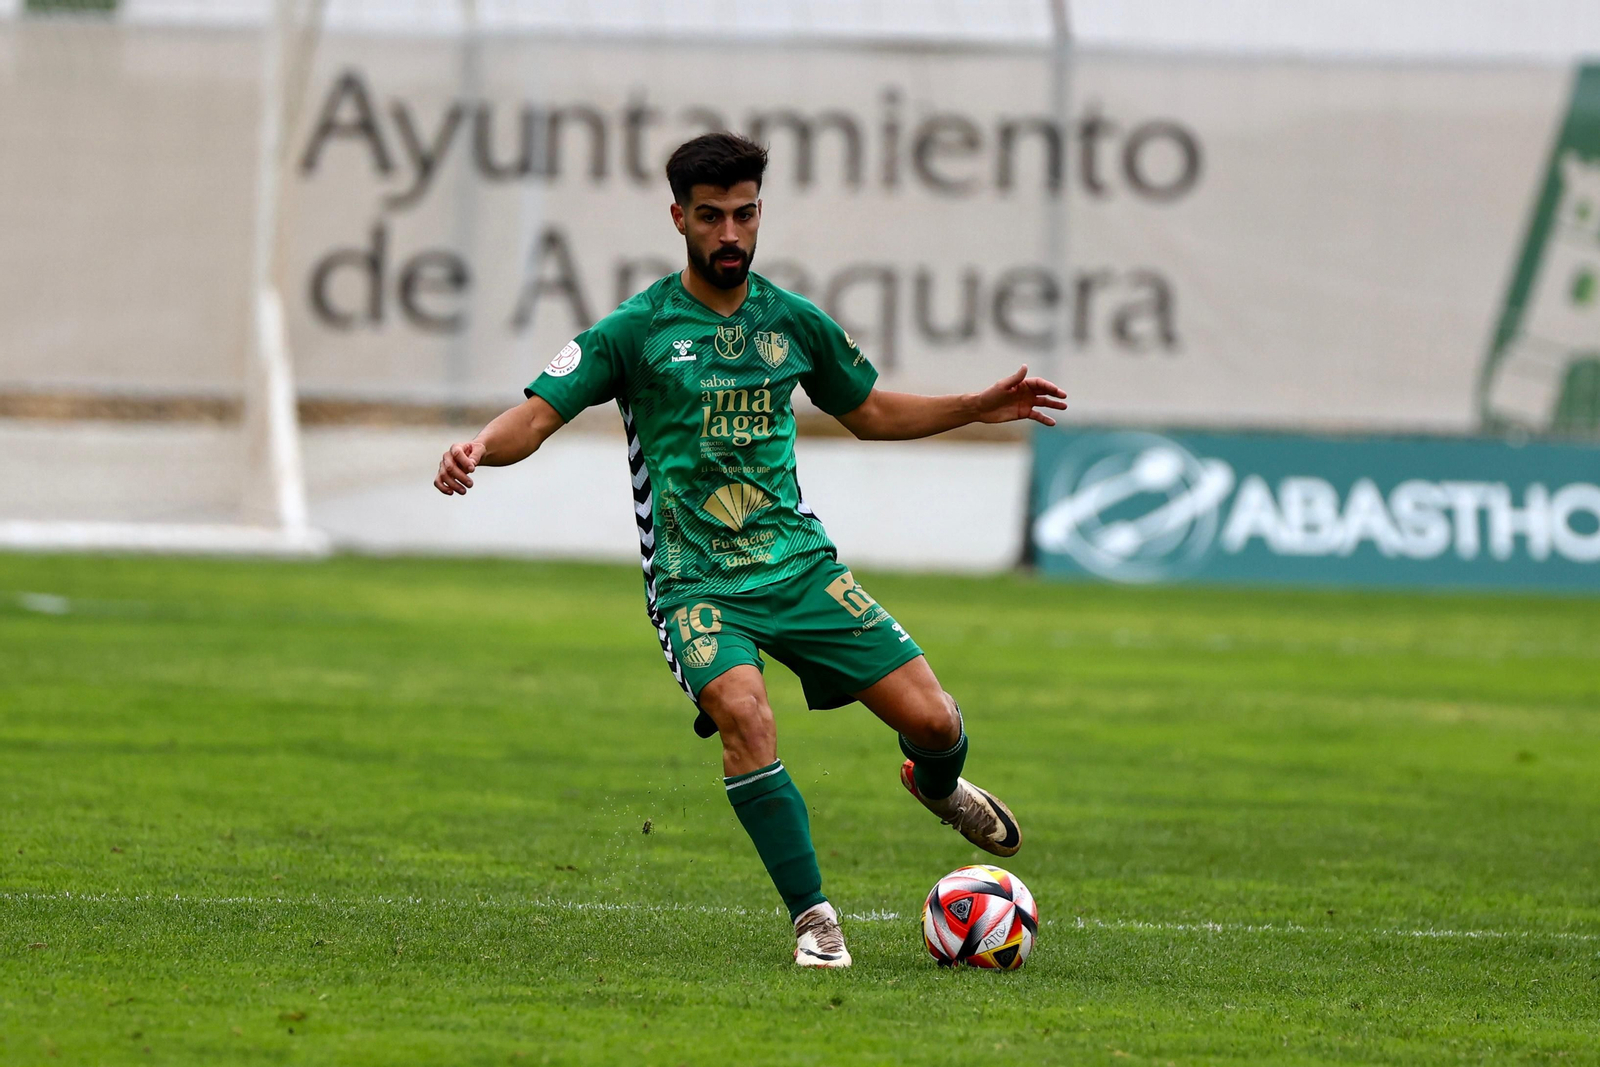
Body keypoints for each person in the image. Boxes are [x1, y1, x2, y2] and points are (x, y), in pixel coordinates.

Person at [435, 132, 1067, 968]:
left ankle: (938, 783)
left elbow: (871, 411)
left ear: (759, 212)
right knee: (744, 713)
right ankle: (815, 920)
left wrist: (974, 405)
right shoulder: (638, 329)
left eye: (743, 214)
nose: (729, 233)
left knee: (935, 719)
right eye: (710, 217)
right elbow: (537, 414)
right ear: (678, 219)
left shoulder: (790, 321)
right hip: (696, 582)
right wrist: (480, 447)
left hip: (798, 564)